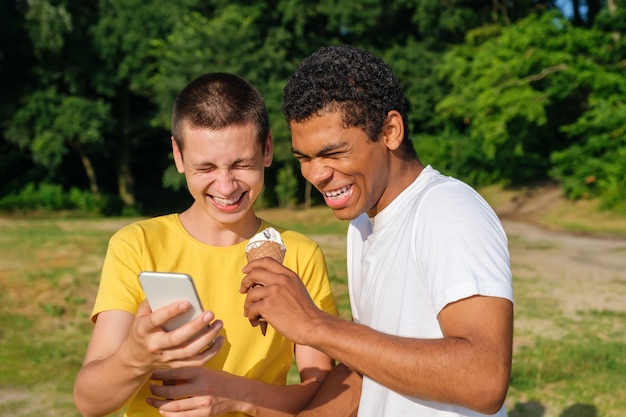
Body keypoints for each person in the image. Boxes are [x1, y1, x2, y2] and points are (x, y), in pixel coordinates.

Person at [241, 45, 514, 417]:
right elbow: (366, 366)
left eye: (333, 153)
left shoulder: (447, 210)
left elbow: (485, 379)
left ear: (390, 131)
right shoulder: (363, 222)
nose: (316, 175)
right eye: (304, 158)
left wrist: (315, 326)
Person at [74, 72, 338, 417]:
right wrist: (135, 356)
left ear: (268, 149)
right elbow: (89, 402)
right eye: (206, 167)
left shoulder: (300, 254)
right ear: (178, 156)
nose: (226, 187)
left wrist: (233, 395)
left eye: (241, 164)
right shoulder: (136, 245)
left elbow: (322, 397)